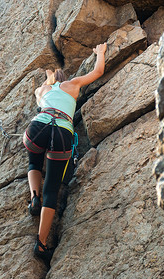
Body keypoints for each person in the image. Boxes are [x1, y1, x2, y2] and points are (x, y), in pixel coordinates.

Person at [23, 43, 107, 263]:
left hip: (37, 128)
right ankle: (40, 244)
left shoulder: (42, 91)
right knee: (52, 186)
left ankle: (34, 198)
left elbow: (40, 90)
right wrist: (100, 53)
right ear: (65, 78)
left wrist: (47, 80)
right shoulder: (72, 84)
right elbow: (98, 72)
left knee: (34, 162)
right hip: (61, 131)